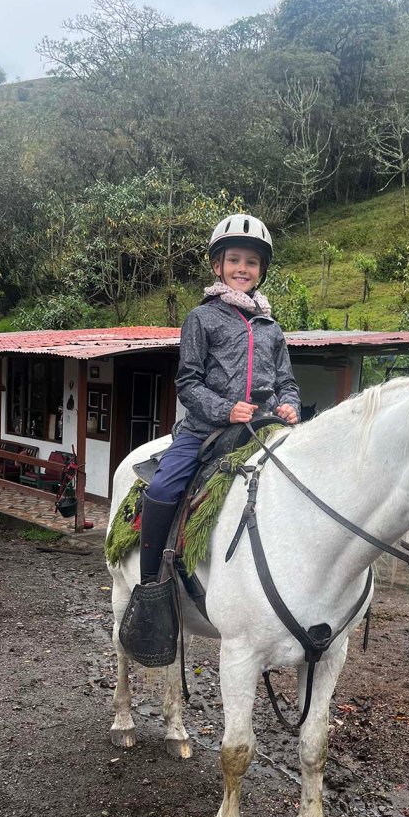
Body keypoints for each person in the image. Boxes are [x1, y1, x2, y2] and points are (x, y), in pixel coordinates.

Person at [137, 213, 301, 584]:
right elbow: (188, 383)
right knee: (163, 487)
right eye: (234, 260)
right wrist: (226, 410)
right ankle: (150, 586)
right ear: (217, 266)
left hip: (264, 427)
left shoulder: (272, 328)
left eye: (252, 262)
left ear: (261, 270)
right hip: (204, 431)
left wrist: (289, 404)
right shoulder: (202, 318)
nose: (243, 268)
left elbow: (286, 381)